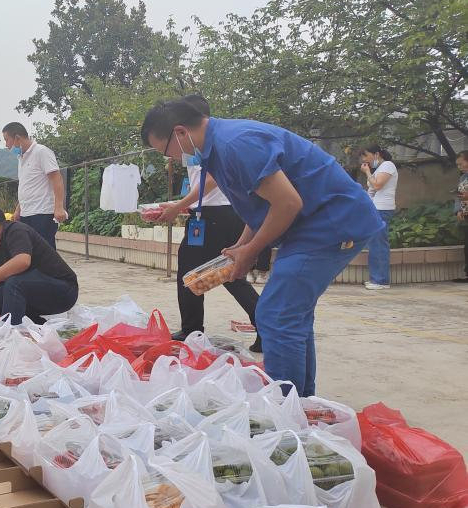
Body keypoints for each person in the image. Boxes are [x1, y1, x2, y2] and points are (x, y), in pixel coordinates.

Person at [140, 98, 381, 396]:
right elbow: (259, 205)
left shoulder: (235, 145)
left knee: (277, 315)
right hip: (310, 226)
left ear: (179, 132)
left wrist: (251, 251)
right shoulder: (215, 151)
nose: (172, 159)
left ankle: (282, 408)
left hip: (331, 223)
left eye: (165, 152)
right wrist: (241, 245)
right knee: (290, 314)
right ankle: (299, 403)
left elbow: (288, 202)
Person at [141, 94, 261, 352]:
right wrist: (183, 206)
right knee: (227, 273)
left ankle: (194, 329)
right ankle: (198, 328)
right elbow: (199, 183)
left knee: (222, 274)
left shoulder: (217, 143)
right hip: (209, 214)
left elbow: (213, 180)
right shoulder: (197, 147)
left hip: (220, 214)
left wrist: (179, 205)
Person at [2, 122, 67, 248]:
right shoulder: (21, 158)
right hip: (27, 213)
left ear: (17, 138)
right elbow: (27, 186)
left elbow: (57, 179)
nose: (6, 145)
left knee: (44, 252)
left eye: (7, 140)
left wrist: (59, 207)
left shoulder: (42, 152)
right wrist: (18, 210)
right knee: (30, 251)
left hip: (42, 213)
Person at [359, 145, 398, 290]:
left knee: (379, 244)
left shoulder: (388, 165)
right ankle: (377, 278)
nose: (364, 159)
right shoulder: (380, 168)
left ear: (376, 154)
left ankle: (381, 280)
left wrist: (368, 172)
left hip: (383, 209)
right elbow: (371, 190)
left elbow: (377, 185)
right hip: (376, 208)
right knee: (374, 243)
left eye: (366, 155)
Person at [453, 150, 468, 283]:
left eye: (461, 164)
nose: (459, 167)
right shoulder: (462, 178)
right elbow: (459, 195)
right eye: (458, 165)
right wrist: (458, 210)